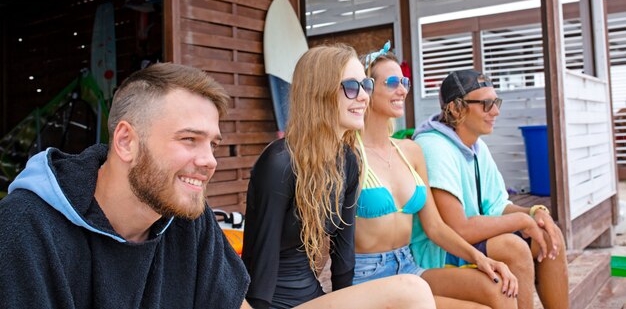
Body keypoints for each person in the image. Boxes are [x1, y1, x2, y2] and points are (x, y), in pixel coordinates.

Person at [0, 63, 252, 309]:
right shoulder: (26, 226)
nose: (210, 161)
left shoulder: (188, 217)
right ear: (126, 142)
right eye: (189, 139)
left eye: (213, 145)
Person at [242, 44, 435, 309]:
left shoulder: (347, 161)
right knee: (413, 289)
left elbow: (343, 258)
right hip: (273, 303)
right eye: (352, 87)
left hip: (315, 296)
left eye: (365, 85)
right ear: (319, 93)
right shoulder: (279, 162)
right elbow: (259, 261)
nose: (364, 97)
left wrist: (348, 300)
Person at [354, 43, 518, 309]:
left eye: (404, 81)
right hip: (367, 276)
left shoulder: (410, 151)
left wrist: (482, 259)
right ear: (368, 90)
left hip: (409, 266)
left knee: (499, 287)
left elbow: (436, 227)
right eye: (392, 82)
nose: (402, 90)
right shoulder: (350, 156)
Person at [412, 69, 569, 309]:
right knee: (513, 247)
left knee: (548, 232)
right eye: (486, 104)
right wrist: (521, 220)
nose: (495, 111)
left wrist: (534, 213)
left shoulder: (476, 146)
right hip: (440, 251)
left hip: (470, 239)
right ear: (455, 108)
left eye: (496, 102)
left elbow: (497, 205)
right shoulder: (433, 146)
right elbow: (459, 229)